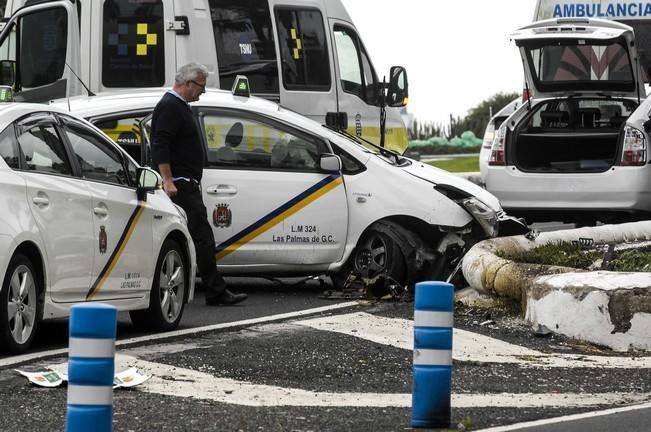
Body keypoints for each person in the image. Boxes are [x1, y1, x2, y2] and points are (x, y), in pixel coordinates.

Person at [151, 62, 247, 306]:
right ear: (188, 83)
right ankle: (215, 290)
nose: (202, 92)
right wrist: (168, 180)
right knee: (202, 238)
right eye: (201, 87)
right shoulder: (170, 106)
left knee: (198, 238)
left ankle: (211, 288)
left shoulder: (180, 106)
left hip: (187, 183)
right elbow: (160, 145)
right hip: (180, 185)